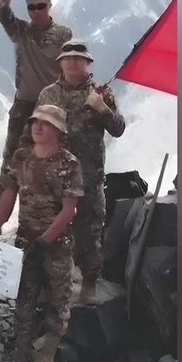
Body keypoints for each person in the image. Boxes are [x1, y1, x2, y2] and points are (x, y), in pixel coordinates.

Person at [0, 104, 84, 362]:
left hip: (57, 245)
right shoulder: (21, 158)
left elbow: (69, 210)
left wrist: (45, 241)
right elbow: (9, 193)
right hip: (25, 242)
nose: (38, 127)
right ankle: (22, 349)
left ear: (58, 130)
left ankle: (49, 348)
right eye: (35, 121)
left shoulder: (69, 164)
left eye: (46, 123)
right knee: (24, 297)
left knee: (57, 298)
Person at [36, 39, 126, 303]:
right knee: (51, 230)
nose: (73, 62)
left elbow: (118, 128)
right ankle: (49, 286)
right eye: (68, 58)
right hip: (56, 178)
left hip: (90, 176)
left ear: (87, 63)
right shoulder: (48, 95)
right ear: (61, 63)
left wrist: (103, 109)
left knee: (90, 231)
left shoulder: (102, 93)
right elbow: (36, 132)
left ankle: (89, 283)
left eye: (79, 58)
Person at [0, 0, 73, 227]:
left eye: (41, 6)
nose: (36, 11)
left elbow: (72, 68)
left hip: (52, 112)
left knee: (52, 168)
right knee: (9, 169)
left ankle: (50, 226)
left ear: (50, 6)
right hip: (24, 108)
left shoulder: (63, 35)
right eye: (32, 7)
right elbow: (0, 8)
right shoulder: (21, 31)